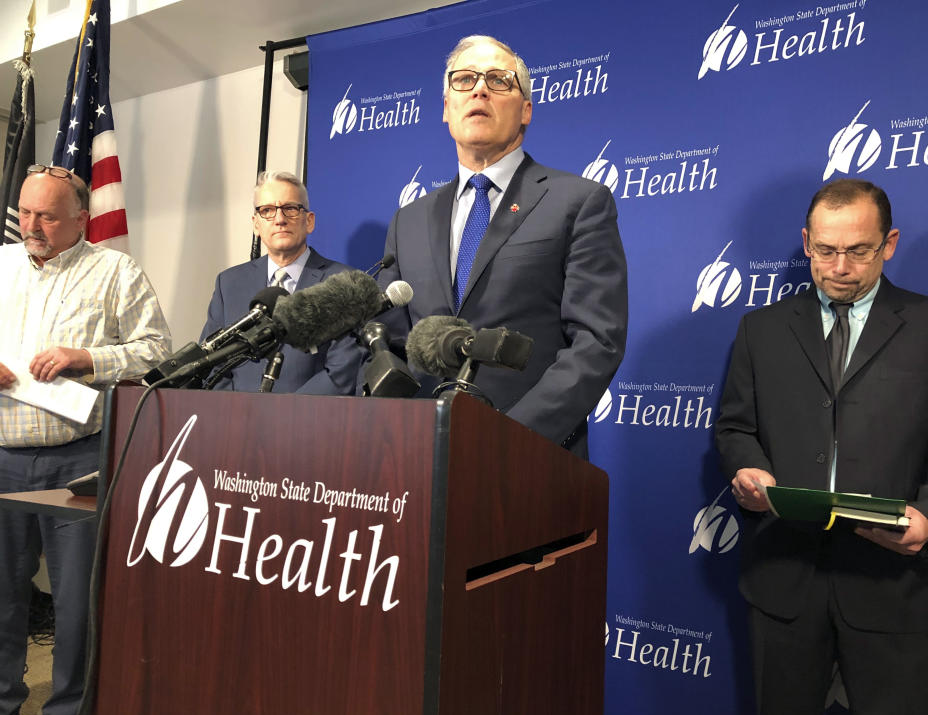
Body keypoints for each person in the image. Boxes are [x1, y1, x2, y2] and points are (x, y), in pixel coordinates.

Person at [715, 178, 928, 715]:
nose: (840, 267)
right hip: (784, 582)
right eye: (826, 251)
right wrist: (750, 471)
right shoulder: (761, 329)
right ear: (806, 242)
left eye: (858, 250)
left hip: (892, 586)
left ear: (889, 243)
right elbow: (735, 428)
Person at [379, 35, 628, 458]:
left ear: (526, 109)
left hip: (530, 458)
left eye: (499, 80)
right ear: (445, 108)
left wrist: (506, 437)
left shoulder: (579, 201)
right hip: (421, 456)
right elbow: (394, 339)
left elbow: (596, 341)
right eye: (464, 80)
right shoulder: (409, 219)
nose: (479, 89)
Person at [0, 164, 171, 715]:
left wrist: (89, 359)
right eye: (25, 213)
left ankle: (69, 711)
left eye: (47, 215)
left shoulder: (115, 271)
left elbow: (158, 352)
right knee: (1, 599)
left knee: (76, 604)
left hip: (77, 461)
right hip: (2, 458)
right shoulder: (1, 267)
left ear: (82, 217)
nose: (32, 226)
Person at [201, 170, 362, 394]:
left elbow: (342, 371)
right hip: (236, 422)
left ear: (309, 221)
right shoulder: (228, 284)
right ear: (256, 225)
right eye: (267, 210)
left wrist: (284, 415)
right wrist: (236, 414)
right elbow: (211, 364)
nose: (279, 219)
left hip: (310, 421)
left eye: (290, 208)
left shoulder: (342, 283)